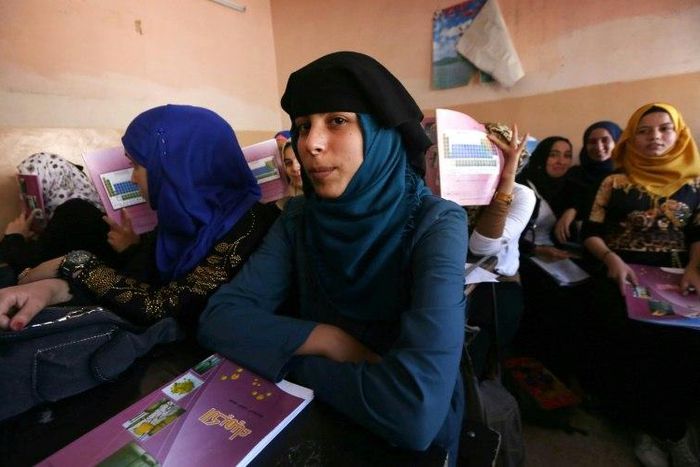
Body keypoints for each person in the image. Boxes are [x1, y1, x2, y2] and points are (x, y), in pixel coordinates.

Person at [197, 52, 468, 463]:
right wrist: (331, 341)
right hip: (315, 416)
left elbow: (413, 413)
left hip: (404, 440)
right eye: (303, 125)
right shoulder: (301, 218)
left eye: (337, 121)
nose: (310, 143)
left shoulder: (436, 222)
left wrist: (285, 355)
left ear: (379, 131)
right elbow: (219, 319)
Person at [0, 104, 278, 331]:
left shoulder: (251, 225)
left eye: (136, 166)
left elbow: (162, 308)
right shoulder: (176, 224)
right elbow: (133, 285)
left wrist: (73, 263)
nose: (133, 179)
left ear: (175, 168)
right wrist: (53, 289)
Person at [581, 103, 700, 467]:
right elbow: (592, 232)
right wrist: (611, 259)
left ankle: (674, 432)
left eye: (664, 129)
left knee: (682, 351)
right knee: (631, 348)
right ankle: (645, 430)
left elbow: (697, 232)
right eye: (644, 131)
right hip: (623, 274)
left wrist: (695, 267)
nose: (655, 138)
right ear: (632, 137)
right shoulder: (614, 182)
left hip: (677, 277)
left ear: (678, 133)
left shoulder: (694, 184)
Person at [466, 123, 535, 377]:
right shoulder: (458, 187)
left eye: (500, 155)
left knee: (480, 367)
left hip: (497, 287)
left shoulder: (521, 194)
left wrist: (507, 179)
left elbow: (482, 245)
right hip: (458, 285)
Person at [0, 153, 118, 282]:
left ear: (51, 183)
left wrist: (14, 236)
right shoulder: (86, 209)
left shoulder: (74, 212)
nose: (24, 200)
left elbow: (28, 270)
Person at [554, 121, 622, 245]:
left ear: (617, 142)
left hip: (613, 248)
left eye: (605, 140)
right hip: (571, 248)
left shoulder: (624, 178)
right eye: (592, 142)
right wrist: (571, 208)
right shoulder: (574, 175)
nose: (599, 146)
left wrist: (575, 209)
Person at [273, 138, 304, 210]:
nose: (295, 168)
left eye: (300, 160)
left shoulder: (330, 199)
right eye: (288, 163)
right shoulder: (283, 202)